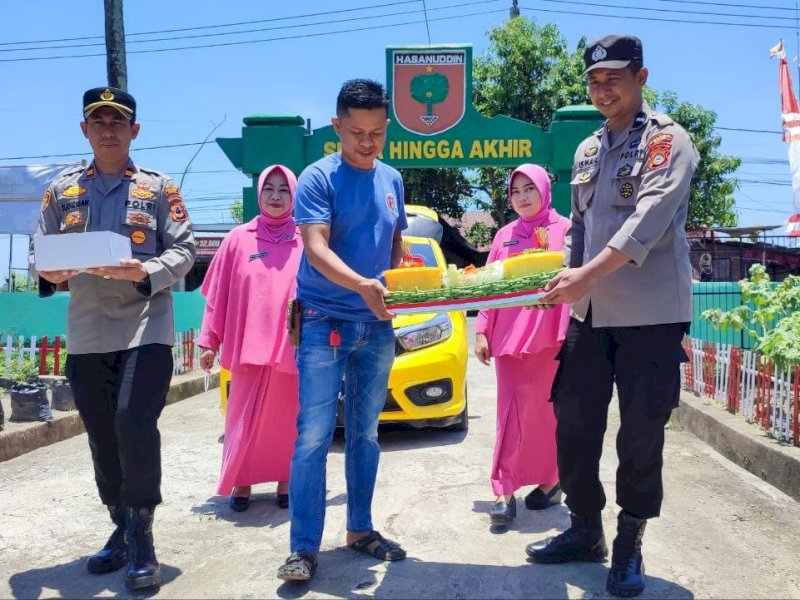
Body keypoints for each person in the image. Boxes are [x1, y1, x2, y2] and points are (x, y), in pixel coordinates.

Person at [526, 35, 699, 598]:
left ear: (641, 77)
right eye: (594, 81)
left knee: (641, 431)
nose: (604, 90)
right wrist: (561, 283)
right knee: (573, 420)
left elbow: (644, 224)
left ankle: (629, 539)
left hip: (650, 317)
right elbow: (579, 229)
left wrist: (585, 276)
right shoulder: (586, 151)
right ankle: (584, 529)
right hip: (589, 314)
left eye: (614, 78)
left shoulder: (667, 142)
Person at [30, 87, 196, 590]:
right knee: (102, 433)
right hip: (87, 333)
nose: (108, 130)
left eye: (118, 122)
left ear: (134, 131)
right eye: (98, 122)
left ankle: (142, 532)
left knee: (132, 420)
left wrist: (143, 270)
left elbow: (185, 250)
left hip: (146, 325)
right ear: (85, 130)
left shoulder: (158, 188)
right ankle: (119, 525)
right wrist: (52, 273)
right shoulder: (61, 192)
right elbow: (41, 255)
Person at [276, 79, 407, 582]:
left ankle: (361, 529)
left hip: (375, 325)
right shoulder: (317, 177)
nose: (367, 142)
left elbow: (393, 243)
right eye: (356, 132)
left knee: (366, 433)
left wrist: (397, 277)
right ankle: (304, 547)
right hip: (323, 320)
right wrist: (362, 286)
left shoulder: (392, 180)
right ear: (337, 127)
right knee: (312, 434)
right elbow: (316, 247)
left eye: (377, 132)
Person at [198, 164, 301, 512]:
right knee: (240, 417)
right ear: (258, 193)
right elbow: (218, 295)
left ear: (293, 194)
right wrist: (209, 340)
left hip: (293, 346)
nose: (275, 196)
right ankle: (240, 484)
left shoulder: (306, 239)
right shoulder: (237, 239)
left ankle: (285, 482)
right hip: (246, 348)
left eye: (283, 189)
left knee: (288, 419)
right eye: (269, 188)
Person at [474, 164, 570, 528]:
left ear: (545, 189)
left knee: (549, 414)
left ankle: (550, 480)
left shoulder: (568, 230)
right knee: (511, 413)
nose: (523, 197)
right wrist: (482, 330)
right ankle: (503, 489)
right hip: (511, 337)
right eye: (516, 191)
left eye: (530, 188)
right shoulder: (504, 236)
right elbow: (489, 287)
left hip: (553, 337)